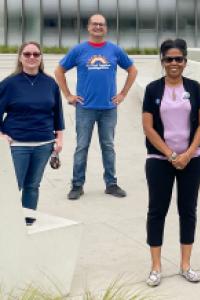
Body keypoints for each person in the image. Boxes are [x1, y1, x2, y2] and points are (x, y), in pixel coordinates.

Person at [142, 39, 200, 286]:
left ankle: (185, 265)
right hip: (159, 160)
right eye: (169, 59)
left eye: (178, 59)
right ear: (162, 62)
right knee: (157, 211)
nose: (174, 63)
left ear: (185, 62)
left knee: (187, 210)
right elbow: (148, 127)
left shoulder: (195, 87)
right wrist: (171, 155)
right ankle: (156, 266)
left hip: (193, 160)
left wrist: (188, 153)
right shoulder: (152, 89)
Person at [55, 14, 137, 200]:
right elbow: (59, 70)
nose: (98, 27)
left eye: (101, 24)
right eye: (95, 24)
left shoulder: (114, 50)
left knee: (108, 146)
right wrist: (68, 95)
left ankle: (111, 184)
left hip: (109, 108)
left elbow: (132, 70)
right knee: (82, 146)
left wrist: (123, 93)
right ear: (88, 27)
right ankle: (77, 185)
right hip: (85, 108)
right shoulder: (78, 50)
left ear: (106, 28)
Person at [0, 41, 64, 225]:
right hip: (17, 145)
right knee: (13, 187)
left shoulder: (50, 83)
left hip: (44, 145)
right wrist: (1, 135)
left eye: (36, 54)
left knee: (33, 186)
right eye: (27, 54)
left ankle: (28, 221)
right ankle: (7, 224)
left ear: (41, 57)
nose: (31, 58)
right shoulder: (9, 84)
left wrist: (59, 138)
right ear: (20, 57)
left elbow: (57, 114)